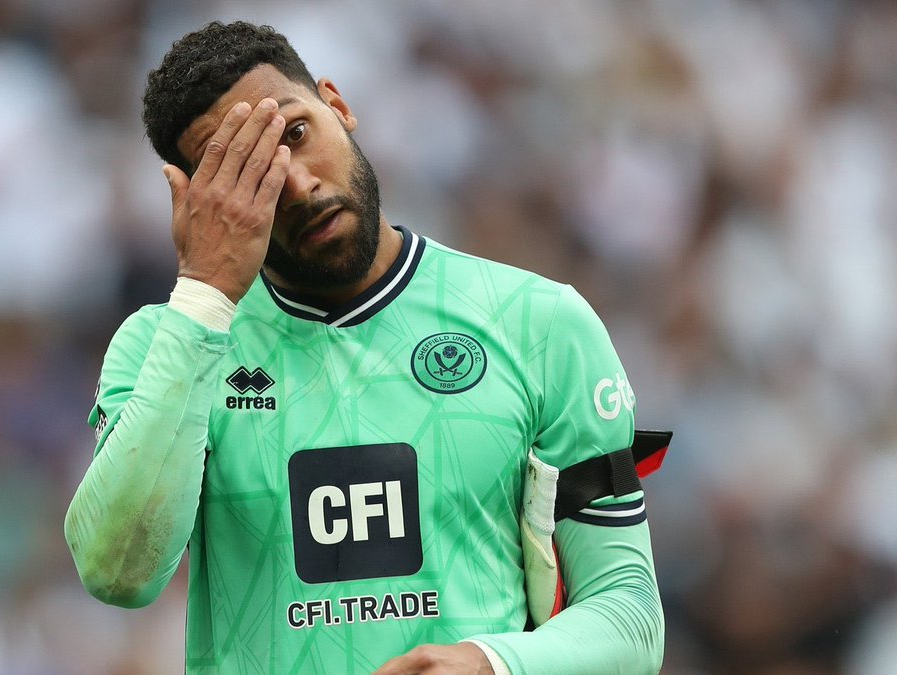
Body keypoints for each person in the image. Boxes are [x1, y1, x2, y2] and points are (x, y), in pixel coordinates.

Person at [65, 20, 664, 674]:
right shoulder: (164, 346)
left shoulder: (541, 325)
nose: (292, 183)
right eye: (245, 174)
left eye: (295, 134)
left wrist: (493, 663)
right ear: (198, 200)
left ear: (338, 104)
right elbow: (118, 572)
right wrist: (206, 294)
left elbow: (629, 614)